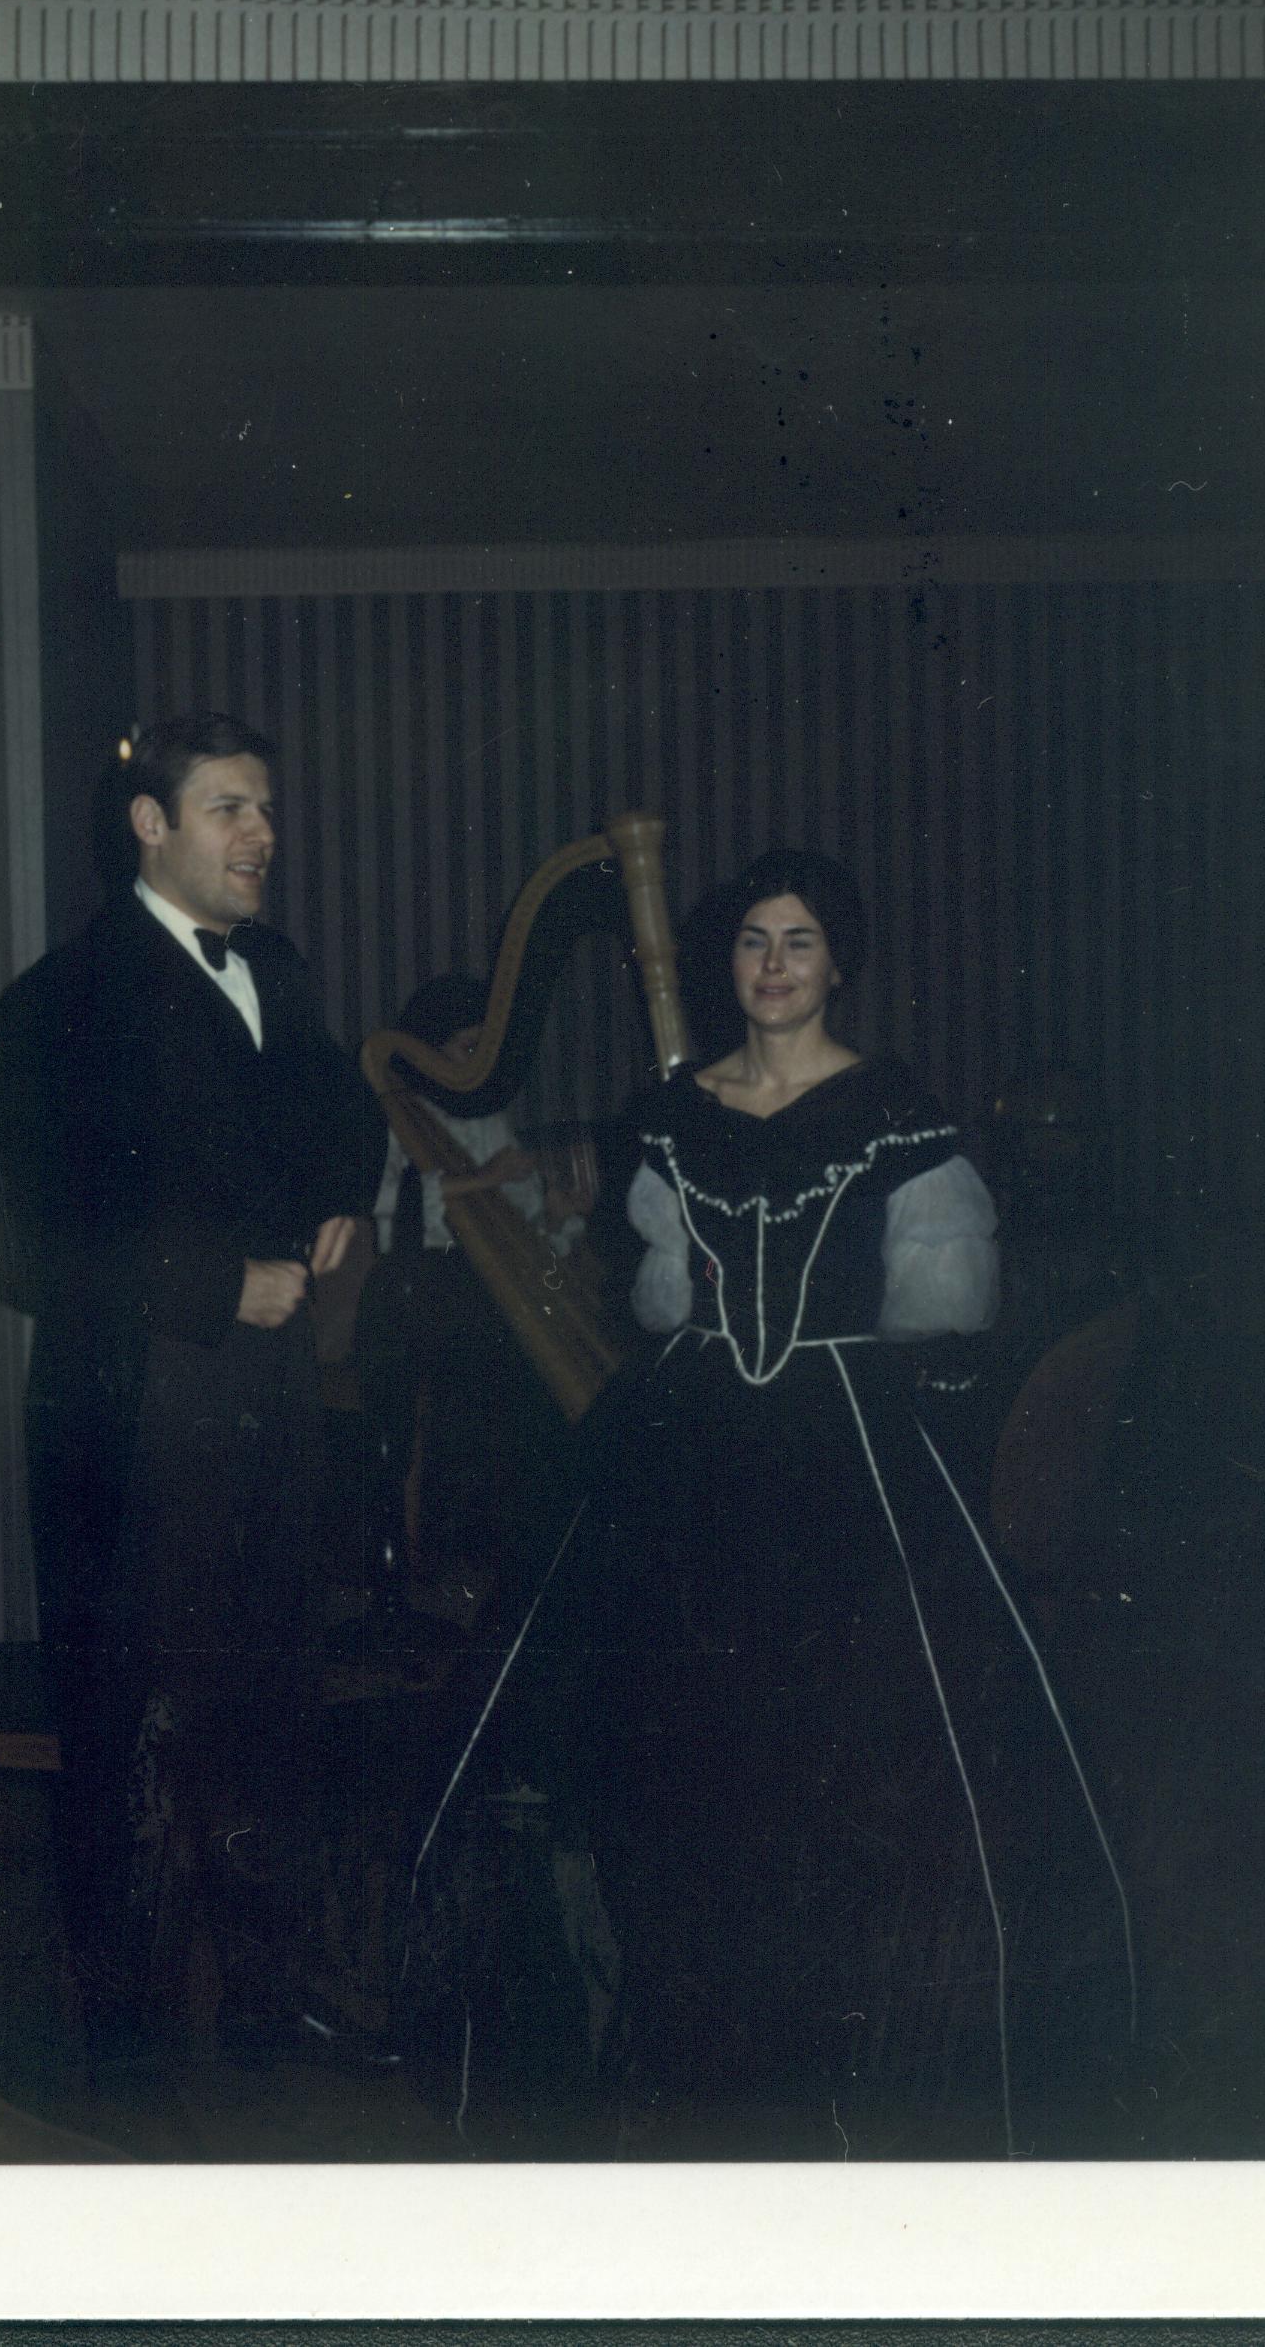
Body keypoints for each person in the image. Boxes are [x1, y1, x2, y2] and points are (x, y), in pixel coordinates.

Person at [423, 849, 1136, 2160]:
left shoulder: (889, 1109)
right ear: (726, 964)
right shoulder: (673, 1110)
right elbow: (661, 1302)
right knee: (674, 1730)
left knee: (836, 1737)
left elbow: (938, 1305)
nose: (770, 966)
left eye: (796, 942)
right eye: (751, 941)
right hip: (686, 1445)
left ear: (835, 962)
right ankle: (682, 2003)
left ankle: (824, 2019)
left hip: (839, 1447)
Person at [0, 714, 391, 2104]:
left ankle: (273, 2004)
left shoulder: (276, 967)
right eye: (228, 811)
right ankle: (128, 2055)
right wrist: (211, 1284)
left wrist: (340, 1193)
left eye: (265, 809)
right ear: (150, 826)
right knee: (135, 1722)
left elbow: (342, 1115)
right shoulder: (61, 999)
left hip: (269, 1402)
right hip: (136, 1404)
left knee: (270, 1696)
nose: (262, 837)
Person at [358, 975, 586, 1600]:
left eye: (484, 1050)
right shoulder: (394, 1109)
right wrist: (481, 1179)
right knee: (483, 1363)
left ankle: (522, 1548)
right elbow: (385, 1201)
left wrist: (556, 1214)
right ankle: (448, 1554)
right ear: (430, 1048)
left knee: (535, 1364)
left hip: (481, 1281)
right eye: (465, 1048)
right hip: (413, 1281)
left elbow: (518, 1213)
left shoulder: (487, 1112)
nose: (472, 1064)